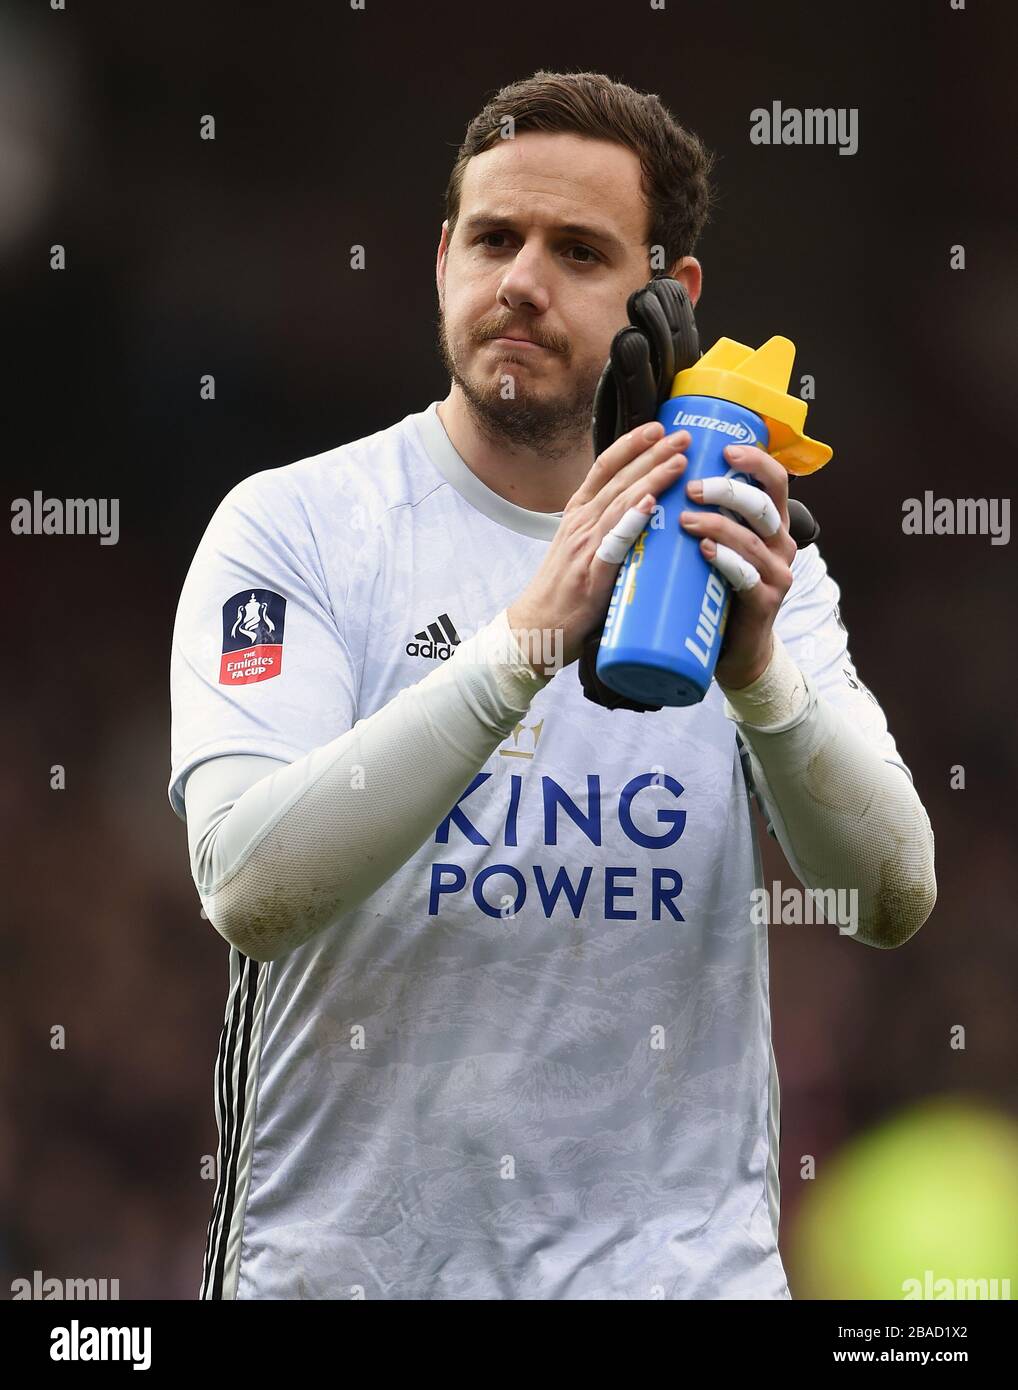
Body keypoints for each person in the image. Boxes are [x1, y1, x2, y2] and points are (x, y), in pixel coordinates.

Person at [168, 70, 936, 1301]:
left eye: (577, 249)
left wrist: (758, 679)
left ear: (667, 294)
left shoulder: (750, 563)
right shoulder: (297, 528)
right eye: (492, 238)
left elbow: (890, 893)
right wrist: (524, 641)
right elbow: (251, 885)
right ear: (440, 259)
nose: (520, 279)